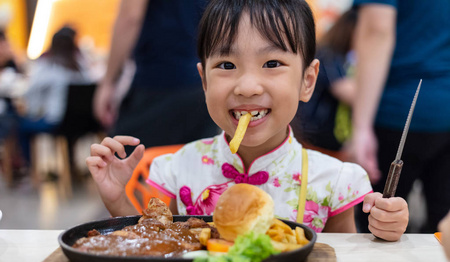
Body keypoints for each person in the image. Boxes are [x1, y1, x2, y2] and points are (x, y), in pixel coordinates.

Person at [87, 0, 409, 242]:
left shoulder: (332, 180)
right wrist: (117, 198)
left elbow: (341, 256)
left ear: (307, 81)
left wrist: (384, 229)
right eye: (226, 65)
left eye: (272, 62)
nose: (247, 87)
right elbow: (157, 243)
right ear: (204, 82)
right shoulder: (178, 169)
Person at [350, 0, 450, 233]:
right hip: (442, 109)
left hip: (398, 111)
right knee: (441, 227)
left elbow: (377, 30)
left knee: (378, 223)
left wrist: (361, 127)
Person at [93, 0, 218, 151]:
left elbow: (130, 17)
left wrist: (108, 81)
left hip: (158, 82)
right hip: (203, 82)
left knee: (123, 162)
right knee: (195, 167)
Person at [18, 26, 93, 165]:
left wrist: (34, 111)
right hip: (85, 123)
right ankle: (71, 165)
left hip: (57, 124)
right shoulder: (81, 67)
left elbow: (30, 92)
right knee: (69, 123)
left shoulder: (47, 66)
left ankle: (29, 170)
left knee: (21, 126)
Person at [292, 8, 358, 159]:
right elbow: (348, 92)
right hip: (313, 136)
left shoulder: (339, 57)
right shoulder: (328, 56)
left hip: (318, 135)